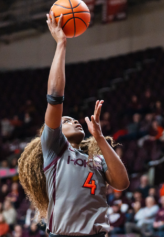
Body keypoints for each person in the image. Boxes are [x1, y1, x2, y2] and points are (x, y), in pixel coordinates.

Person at [18, 12, 129, 237]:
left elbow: (122, 183)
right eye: (66, 121)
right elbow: (55, 96)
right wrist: (61, 44)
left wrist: (99, 138)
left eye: (73, 119)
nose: (74, 121)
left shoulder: (97, 160)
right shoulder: (53, 150)